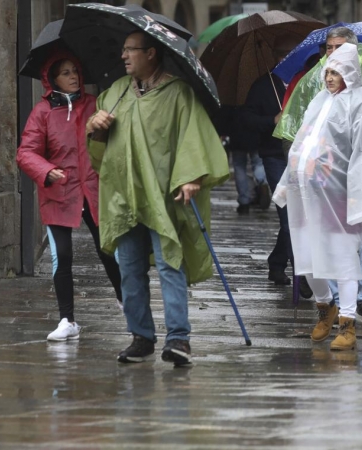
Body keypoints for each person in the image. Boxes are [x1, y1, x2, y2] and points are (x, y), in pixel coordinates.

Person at [86, 31, 229, 366]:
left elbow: (194, 139)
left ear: (151, 53)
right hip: (125, 195)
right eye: (122, 49)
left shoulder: (179, 94)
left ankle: (179, 339)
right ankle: (141, 337)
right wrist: (97, 125)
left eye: (130, 50)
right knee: (129, 269)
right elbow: (99, 147)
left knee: (170, 264)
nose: (123, 56)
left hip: (164, 195)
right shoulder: (115, 92)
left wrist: (192, 177)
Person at [274, 26, 362, 328]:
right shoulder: (313, 87)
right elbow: (294, 132)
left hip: (357, 177)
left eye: (339, 48)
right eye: (328, 48)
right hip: (316, 182)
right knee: (313, 245)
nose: (331, 56)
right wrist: (302, 168)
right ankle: (332, 304)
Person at [273, 43, 362, 351]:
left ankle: (347, 322)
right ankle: (325, 309)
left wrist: (358, 195)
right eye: (327, 72)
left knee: (343, 254)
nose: (330, 78)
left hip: (339, 192)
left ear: (350, 73)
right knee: (306, 255)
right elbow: (301, 142)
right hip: (306, 191)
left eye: (336, 72)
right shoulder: (319, 100)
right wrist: (287, 182)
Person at [16, 51, 122, 342]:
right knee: (62, 256)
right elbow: (26, 152)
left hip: (93, 190)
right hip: (59, 193)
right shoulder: (42, 112)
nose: (73, 76)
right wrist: (46, 170)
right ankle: (67, 320)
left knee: (108, 248)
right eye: (65, 72)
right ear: (52, 79)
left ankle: (126, 301)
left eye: (75, 70)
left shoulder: (93, 105)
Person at [237, 37, 311, 297]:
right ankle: (302, 275)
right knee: (289, 215)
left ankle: (277, 262)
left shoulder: (308, 83)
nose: (285, 60)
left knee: (301, 217)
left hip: (305, 156)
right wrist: (272, 119)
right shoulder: (262, 85)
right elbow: (246, 118)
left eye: (290, 55)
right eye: (281, 56)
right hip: (274, 156)